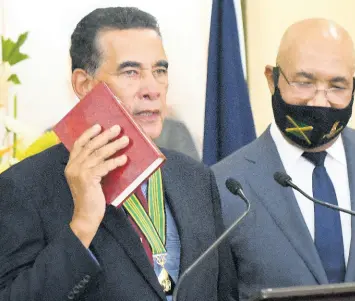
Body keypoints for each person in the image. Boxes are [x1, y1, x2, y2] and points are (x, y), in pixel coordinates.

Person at [0, 7, 237, 301]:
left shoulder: (195, 178)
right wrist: (83, 224)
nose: (152, 88)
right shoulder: (23, 188)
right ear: (84, 85)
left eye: (160, 71)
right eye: (131, 72)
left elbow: (224, 292)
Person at [212, 18, 355, 300]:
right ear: (271, 79)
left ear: (354, 87)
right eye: (304, 82)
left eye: (337, 86)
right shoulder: (223, 185)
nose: (320, 102)